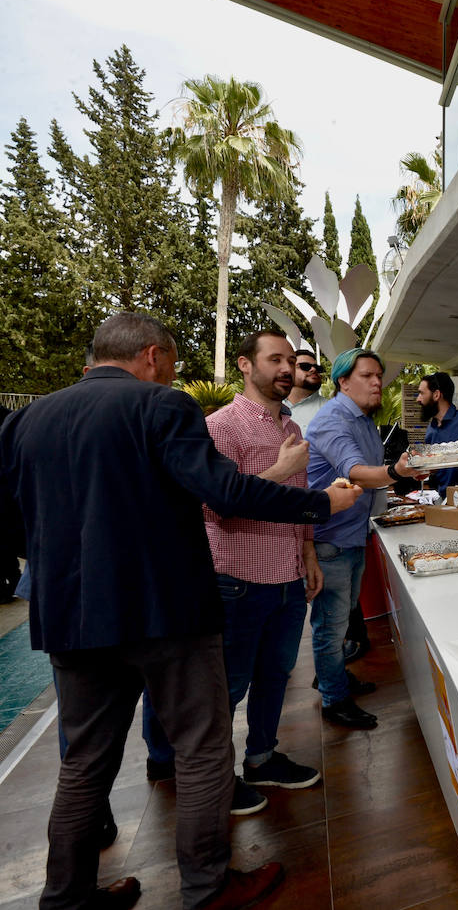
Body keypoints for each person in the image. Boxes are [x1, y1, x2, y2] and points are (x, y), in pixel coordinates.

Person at [0, 312, 361, 910]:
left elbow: (13, 517)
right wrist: (319, 502)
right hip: (164, 608)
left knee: (84, 762)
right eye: (169, 363)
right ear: (151, 356)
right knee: (202, 747)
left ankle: (65, 899)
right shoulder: (162, 408)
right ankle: (208, 887)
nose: (171, 374)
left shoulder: (26, 421)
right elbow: (225, 491)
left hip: (71, 615)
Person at [202, 330, 327, 815]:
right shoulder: (220, 427)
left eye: (289, 362)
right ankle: (216, 780)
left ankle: (261, 757)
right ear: (244, 365)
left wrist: (309, 554)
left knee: (275, 674)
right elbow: (216, 503)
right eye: (273, 359)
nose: (285, 369)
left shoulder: (292, 431)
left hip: (288, 576)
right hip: (236, 579)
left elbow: (297, 505)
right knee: (228, 687)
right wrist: (277, 471)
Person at [305, 348, 421, 729]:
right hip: (331, 539)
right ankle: (334, 699)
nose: (377, 383)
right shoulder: (332, 420)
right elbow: (356, 472)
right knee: (332, 624)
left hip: (353, 534)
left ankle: (333, 677)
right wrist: (396, 471)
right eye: (368, 376)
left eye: (378, 376)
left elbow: (376, 472)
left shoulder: (364, 419)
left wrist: (403, 473)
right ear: (343, 381)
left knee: (343, 618)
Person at [284, 347, 325, 433]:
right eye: (305, 366)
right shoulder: (270, 407)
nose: (313, 369)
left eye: (317, 368)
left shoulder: (332, 410)